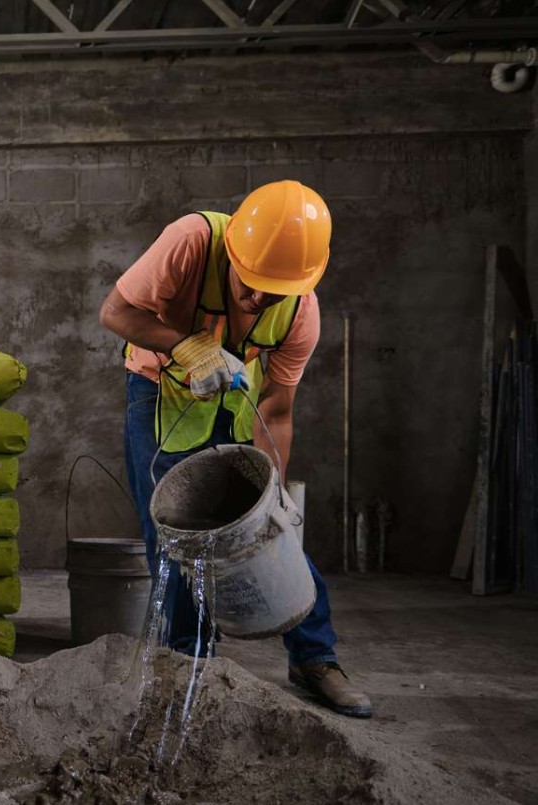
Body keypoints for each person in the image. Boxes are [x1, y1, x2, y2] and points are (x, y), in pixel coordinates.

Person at [98, 180, 372, 718]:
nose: (258, 298)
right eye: (251, 282)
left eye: (276, 289)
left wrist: (273, 499)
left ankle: (315, 658)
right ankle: (189, 664)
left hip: (233, 402)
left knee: (269, 530)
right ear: (234, 253)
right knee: (174, 537)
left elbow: (277, 408)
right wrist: (184, 345)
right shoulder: (191, 241)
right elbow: (115, 313)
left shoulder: (301, 314)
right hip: (159, 391)